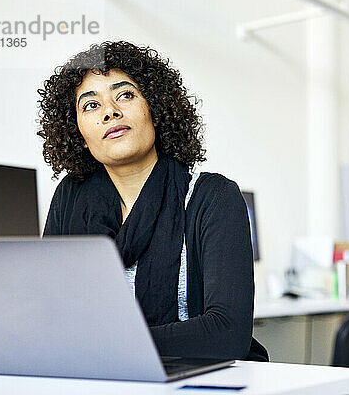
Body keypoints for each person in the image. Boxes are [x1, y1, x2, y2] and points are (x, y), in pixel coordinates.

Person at [37, 41, 268, 361]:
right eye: (91, 105)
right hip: (104, 380)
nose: (110, 111)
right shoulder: (70, 198)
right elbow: (46, 316)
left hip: (201, 379)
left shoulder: (212, 197)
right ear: (80, 135)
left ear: (155, 112)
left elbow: (227, 333)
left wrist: (102, 346)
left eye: (126, 95)